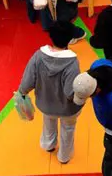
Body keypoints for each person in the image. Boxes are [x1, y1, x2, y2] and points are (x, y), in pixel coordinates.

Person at [17, 21, 84, 164]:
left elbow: (27, 81)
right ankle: (64, 157)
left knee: (48, 122)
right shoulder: (72, 63)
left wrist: (22, 93)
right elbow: (70, 93)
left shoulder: (38, 56)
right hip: (67, 109)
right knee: (68, 128)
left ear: (51, 36)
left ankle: (48, 145)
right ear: (70, 38)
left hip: (45, 104)